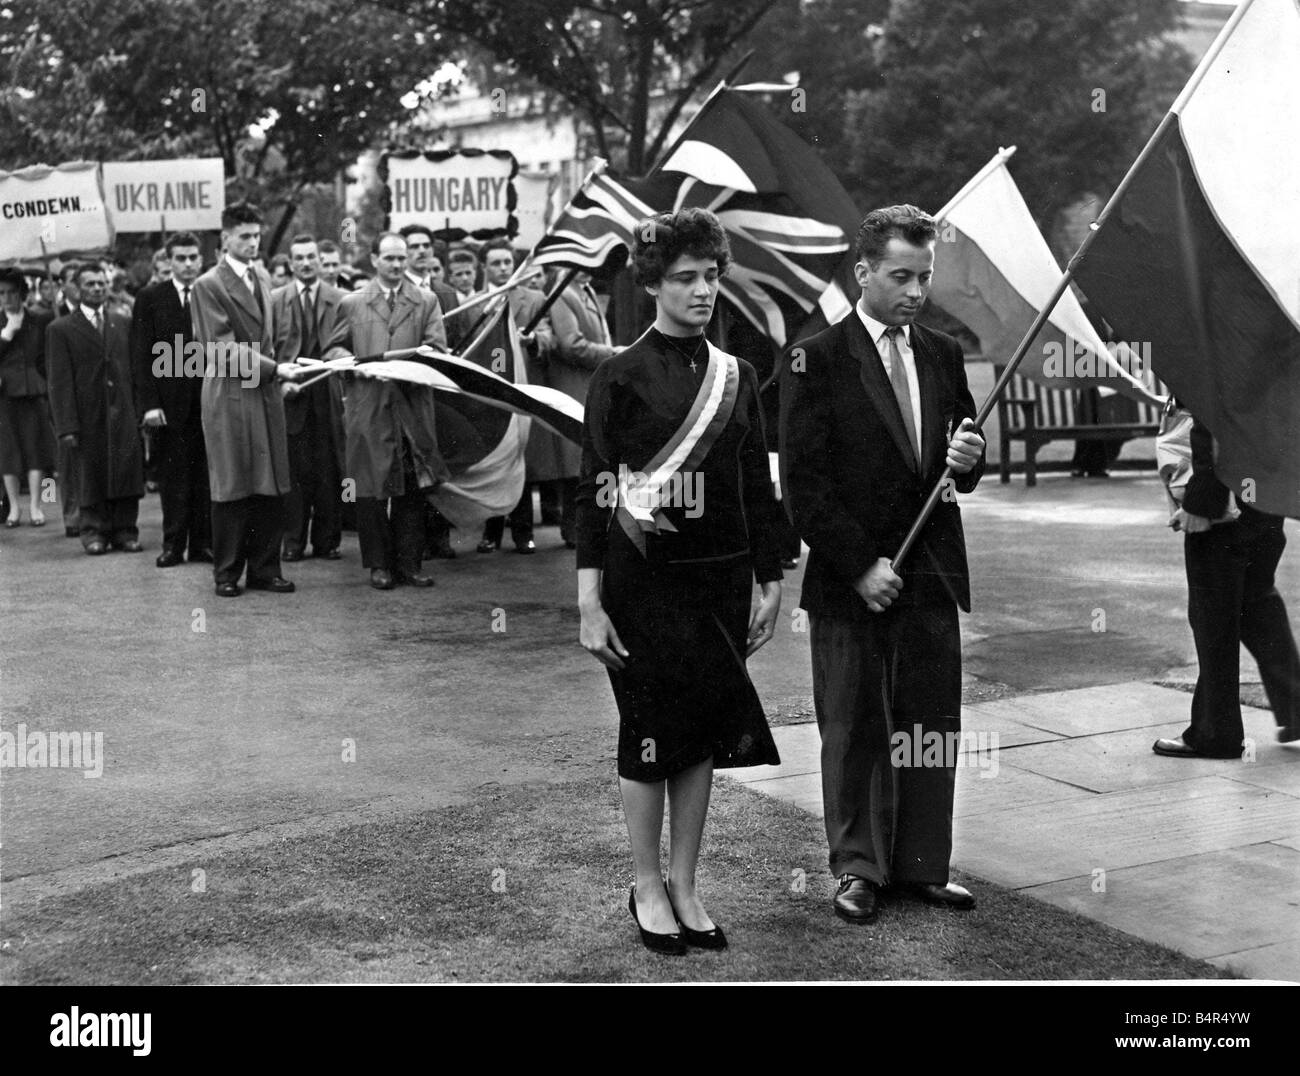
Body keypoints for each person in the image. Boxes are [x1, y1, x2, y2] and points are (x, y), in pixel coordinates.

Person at [576, 208, 783, 954]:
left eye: (712, 277)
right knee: (650, 732)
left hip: (720, 580)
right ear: (654, 284)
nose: (703, 291)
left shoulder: (741, 376)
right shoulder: (619, 375)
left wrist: (771, 574)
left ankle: (688, 885)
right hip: (643, 584)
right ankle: (645, 883)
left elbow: (755, 485)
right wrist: (588, 599)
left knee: (700, 735)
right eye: (686, 279)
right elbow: (595, 491)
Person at [779, 204, 986, 924]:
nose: (915, 291)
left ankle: (923, 863)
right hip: (852, 582)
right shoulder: (815, 357)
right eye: (900, 275)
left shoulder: (940, 351)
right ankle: (858, 867)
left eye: (924, 276)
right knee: (857, 724)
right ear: (862, 271)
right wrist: (861, 564)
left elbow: (961, 464)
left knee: (929, 724)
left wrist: (971, 457)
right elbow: (803, 486)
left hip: (930, 570)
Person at [1154, 411, 1300, 758]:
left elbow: (1215, 415)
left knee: (1213, 617)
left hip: (1224, 503)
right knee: (1257, 602)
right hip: (1262, 492)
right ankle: (1297, 707)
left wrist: (1202, 501)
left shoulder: (1214, 354)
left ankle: (1215, 733)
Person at [190, 201, 306, 598]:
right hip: (231, 394)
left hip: (264, 390)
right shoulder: (208, 285)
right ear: (225, 238)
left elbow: (270, 338)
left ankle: (264, 569)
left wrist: (280, 370)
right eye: (245, 236)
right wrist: (275, 369)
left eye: (257, 235)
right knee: (233, 484)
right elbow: (219, 349)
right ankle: (226, 573)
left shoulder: (260, 275)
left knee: (268, 483)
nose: (253, 243)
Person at [323, 232, 448, 591]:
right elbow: (332, 350)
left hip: (411, 408)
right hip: (370, 408)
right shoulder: (353, 303)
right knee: (371, 490)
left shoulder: (426, 301)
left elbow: (438, 348)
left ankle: (410, 565)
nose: (396, 265)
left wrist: (420, 359)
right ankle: (379, 566)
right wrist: (353, 364)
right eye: (389, 258)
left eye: (401, 258)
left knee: (411, 488)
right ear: (374, 260)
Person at [46, 263, 144, 554]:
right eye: (90, 284)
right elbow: (59, 381)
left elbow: (134, 368)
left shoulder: (121, 321)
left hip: (122, 410)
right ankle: (94, 532)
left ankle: (125, 530)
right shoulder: (60, 328)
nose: (98, 288)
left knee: (125, 468)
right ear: (76, 289)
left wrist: (138, 410)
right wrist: (66, 426)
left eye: (102, 283)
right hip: (86, 413)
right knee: (90, 472)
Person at [131, 231, 212, 567]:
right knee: (174, 475)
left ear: (202, 259)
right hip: (168, 404)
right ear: (169, 261)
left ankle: (204, 544)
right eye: (181, 258)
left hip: (208, 398)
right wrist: (149, 404)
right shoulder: (151, 298)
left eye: (193, 257)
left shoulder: (211, 293)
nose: (188, 264)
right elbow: (140, 355)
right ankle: (173, 544)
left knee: (206, 475)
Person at [474, 239, 554, 554]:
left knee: (521, 461)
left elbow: (550, 338)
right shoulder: (477, 302)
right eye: (496, 263)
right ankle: (491, 532)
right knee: (494, 460)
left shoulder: (534, 299)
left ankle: (523, 533)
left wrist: (533, 339)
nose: (504, 268)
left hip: (524, 390)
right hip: (490, 392)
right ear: (485, 267)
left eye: (507, 262)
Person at [272, 233, 346, 562]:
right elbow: (267, 348)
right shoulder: (276, 300)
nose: (305, 263)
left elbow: (351, 343)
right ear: (290, 263)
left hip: (329, 393)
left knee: (329, 469)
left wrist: (338, 356)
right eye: (299, 258)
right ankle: (293, 539)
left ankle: (327, 540)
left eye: (311, 257)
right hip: (291, 394)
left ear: (320, 259)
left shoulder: (341, 299)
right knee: (294, 472)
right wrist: (277, 382)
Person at [542, 270, 621, 547]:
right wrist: (613, 354)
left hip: (590, 386)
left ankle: (586, 527)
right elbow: (571, 345)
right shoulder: (564, 293)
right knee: (579, 462)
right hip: (575, 386)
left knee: (589, 460)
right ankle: (575, 529)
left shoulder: (581, 289)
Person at [0, 268, 56, 528]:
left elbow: (47, 354)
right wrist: (6, 334)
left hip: (34, 389)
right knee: (8, 451)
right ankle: (13, 507)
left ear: (22, 293)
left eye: (12, 292)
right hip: (5, 392)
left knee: (36, 448)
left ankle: (36, 505)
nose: (7, 298)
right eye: (2, 293)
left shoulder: (39, 319)